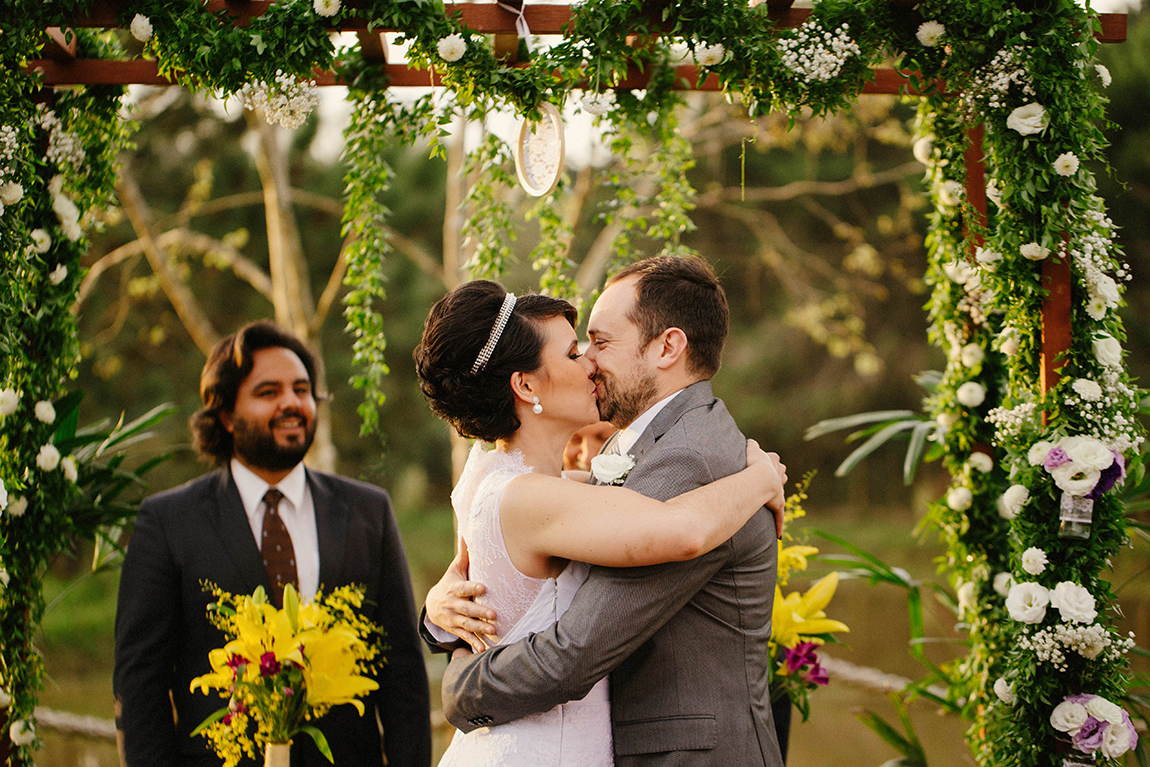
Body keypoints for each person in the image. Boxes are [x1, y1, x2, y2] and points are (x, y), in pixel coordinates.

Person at [428, 256, 787, 766]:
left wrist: (461, 679)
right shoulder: (544, 484)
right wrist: (438, 614)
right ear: (524, 385)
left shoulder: (688, 458)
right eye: (578, 350)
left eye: (599, 343)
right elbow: (668, 529)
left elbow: (571, 652)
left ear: (668, 347)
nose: (590, 361)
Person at [113, 321, 431, 767]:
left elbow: (403, 675)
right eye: (268, 392)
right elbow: (140, 685)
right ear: (225, 414)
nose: (291, 403)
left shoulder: (367, 512)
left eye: (302, 389)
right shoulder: (167, 522)